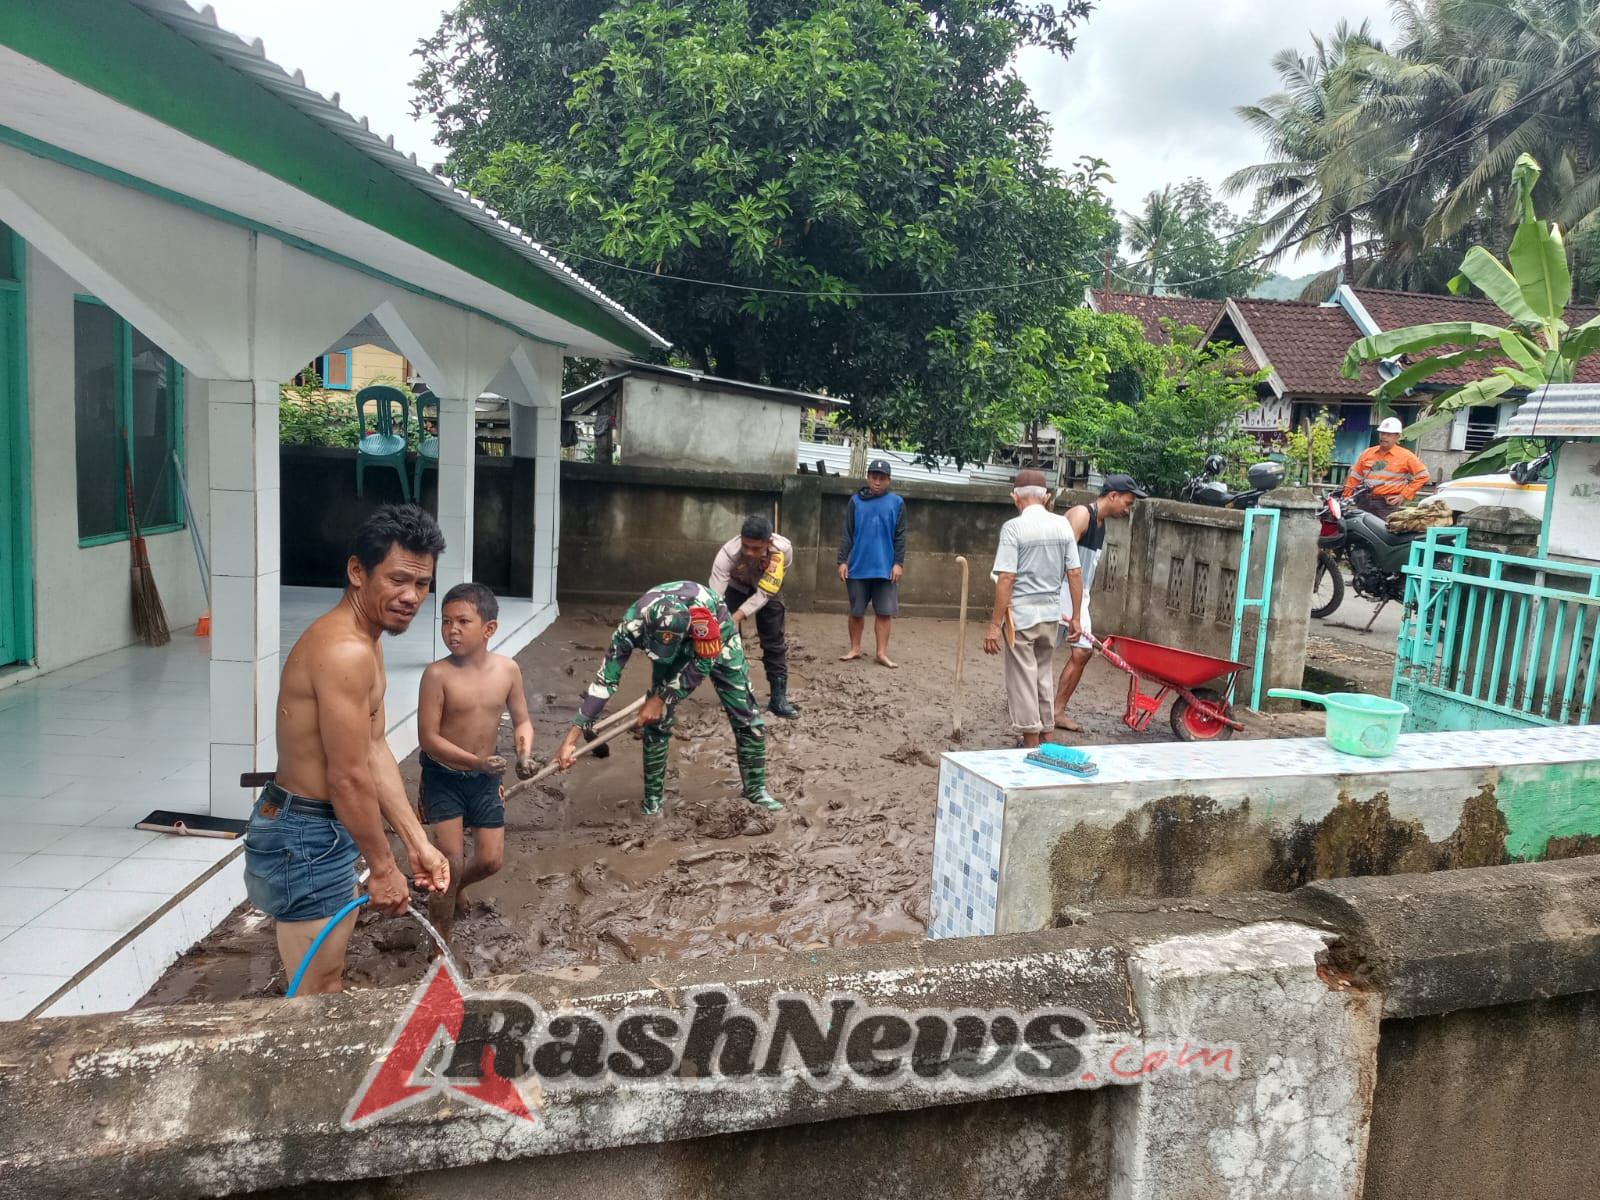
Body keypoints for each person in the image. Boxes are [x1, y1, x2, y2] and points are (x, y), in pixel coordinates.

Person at [243, 505, 451, 996]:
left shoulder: (368, 638)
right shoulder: (345, 651)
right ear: (357, 571)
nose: (411, 597)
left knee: (323, 982)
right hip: (304, 835)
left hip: (317, 827)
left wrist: (417, 843)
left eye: (422, 585)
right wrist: (382, 867)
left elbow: (374, 748)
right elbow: (349, 778)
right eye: (398, 580)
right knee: (316, 993)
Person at [552, 581, 782, 815]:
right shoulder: (632, 626)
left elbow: (701, 664)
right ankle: (653, 799)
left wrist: (660, 699)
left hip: (716, 640)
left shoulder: (705, 620)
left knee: (745, 710)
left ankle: (755, 788)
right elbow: (604, 682)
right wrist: (570, 740)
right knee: (657, 720)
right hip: (669, 648)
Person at [415, 582, 536, 946]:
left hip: (486, 778)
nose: (452, 629)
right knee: (449, 861)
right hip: (443, 777)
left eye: (463, 621)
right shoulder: (437, 675)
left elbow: (522, 721)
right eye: (446, 621)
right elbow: (429, 739)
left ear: (489, 628)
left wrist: (524, 755)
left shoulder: (508, 670)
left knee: (489, 860)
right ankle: (439, 949)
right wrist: (476, 761)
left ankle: (452, 891)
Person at [983, 471, 1083, 748]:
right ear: (1047, 498)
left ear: (1015, 497)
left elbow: (1006, 578)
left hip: (1022, 617)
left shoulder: (1013, 528)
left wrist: (994, 624)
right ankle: (1047, 738)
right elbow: (1074, 572)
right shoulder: (1063, 526)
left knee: (1023, 678)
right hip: (1051, 616)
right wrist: (1075, 617)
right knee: (1042, 674)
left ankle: (1030, 743)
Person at [1053, 474, 1147, 734]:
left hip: (1078, 594)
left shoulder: (1101, 523)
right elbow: (1059, 559)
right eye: (1127, 503)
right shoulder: (1081, 515)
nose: (1127, 510)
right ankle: (1027, 708)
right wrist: (1065, 605)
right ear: (1113, 495)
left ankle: (1056, 711)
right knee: (1039, 649)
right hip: (1059, 589)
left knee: (1082, 652)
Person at [710, 513, 799, 718]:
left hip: (767, 587)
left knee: (774, 641)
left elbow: (766, 592)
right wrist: (723, 618)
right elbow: (716, 596)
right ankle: (735, 696)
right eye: (745, 546)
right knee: (727, 640)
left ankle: (778, 699)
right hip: (735, 586)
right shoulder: (727, 554)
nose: (749, 552)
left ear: (768, 542)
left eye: (756, 548)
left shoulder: (782, 550)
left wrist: (739, 615)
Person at [838, 458, 906, 668]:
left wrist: (898, 563)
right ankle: (855, 649)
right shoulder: (855, 502)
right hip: (858, 566)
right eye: (874, 477)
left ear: (889, 480)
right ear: (868, 478)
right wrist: (842, 560)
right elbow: (847, 532)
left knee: (884, 612)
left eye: (882, 478)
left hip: (885, 568)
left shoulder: (897, 503)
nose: (877, 482)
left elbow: (901, 535)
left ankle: (881, 653)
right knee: (856, 611)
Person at [1343, 417, 1429, 516]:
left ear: (1397, 436)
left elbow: (1423, 475)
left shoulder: (1406, 456)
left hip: (1386, 504)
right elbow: (1354, 477)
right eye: (1382, 433)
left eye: (1388, 434)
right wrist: (1346, 498)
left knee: (1382, 530)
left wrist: (1403, 495)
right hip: (1364, 501)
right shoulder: (1367, 453)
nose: (1384, 437)